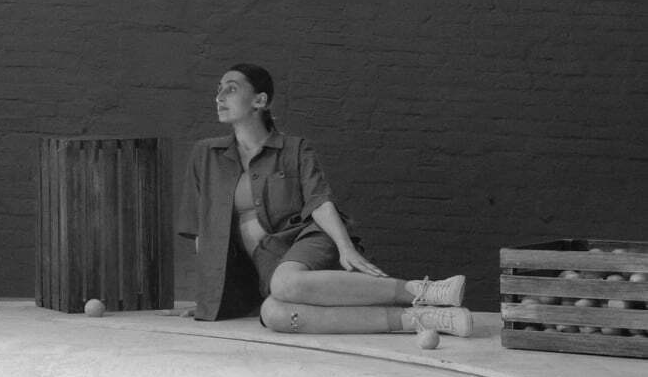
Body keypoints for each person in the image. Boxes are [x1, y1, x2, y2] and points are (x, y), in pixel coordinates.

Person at [176, 63, 472, 336]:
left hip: (307, 239)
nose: (219, 97)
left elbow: (319, 200)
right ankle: (422, 320)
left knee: (285, 282)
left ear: (259, 100)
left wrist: (345, 248)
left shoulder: (294, 149)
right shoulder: (206, 155)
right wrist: (209, 298)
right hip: (268, 265)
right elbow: (204, 234)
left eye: (231, 89)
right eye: (218, 89)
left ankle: (423, 291)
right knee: (275, 314)